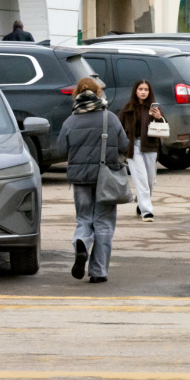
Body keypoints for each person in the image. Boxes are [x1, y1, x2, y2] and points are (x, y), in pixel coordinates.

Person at [54, 77, 128, 283]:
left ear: (76, 93)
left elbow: (60, 150)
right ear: (98, 93)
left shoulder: (70, 121)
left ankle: (81, 243)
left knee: (84, 219)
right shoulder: (110, 118)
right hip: (106, 179)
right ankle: (98, 272)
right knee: (103, 224)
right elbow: (124, 145)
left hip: (80, 180)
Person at [119, 79, 164, 222]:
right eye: (140, 89)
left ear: (149, 92)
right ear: (135, 91)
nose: (143, 92)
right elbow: (118, 127)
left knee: (150, 180)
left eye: (146, 89)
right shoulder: (128, 108)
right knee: (141, 179)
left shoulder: (154, 109)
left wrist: (159, 118)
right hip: (133, 147)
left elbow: (164, 128)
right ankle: (147, 211)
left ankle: (141, 202)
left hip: (150, 147)